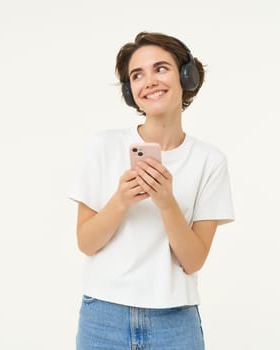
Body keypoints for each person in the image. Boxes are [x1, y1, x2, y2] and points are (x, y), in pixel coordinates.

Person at [68, 31, 234, 350]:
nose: (149, 81)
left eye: (161, 68)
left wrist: (167, 204)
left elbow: (193, 260)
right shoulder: (103, 146)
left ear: (187, 76)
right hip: (103, 317)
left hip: (175, 322)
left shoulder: (209, 161)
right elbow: (86, 243)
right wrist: (120, 201)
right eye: (137, 74)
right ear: (131, 92)